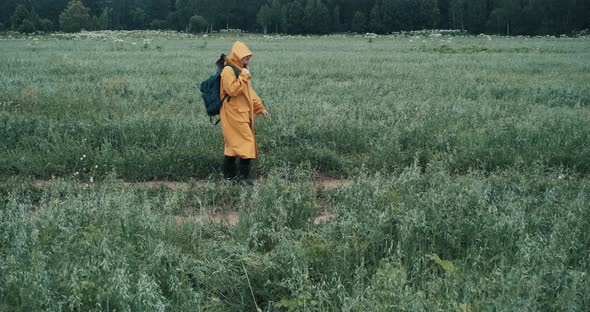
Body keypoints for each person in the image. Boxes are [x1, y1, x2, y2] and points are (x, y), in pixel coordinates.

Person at [219, 41, 269, 186]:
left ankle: (229, 178)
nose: (248, 61)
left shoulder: (240, 70)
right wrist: (244, 77)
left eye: (249, 58)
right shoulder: (228, 71)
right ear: (237, 56)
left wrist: (260, 108)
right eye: (245, 58)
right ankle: (244, 179)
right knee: (246, 143)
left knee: (233, 145)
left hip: (241, 113)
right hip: (232, 114)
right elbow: (232, 90)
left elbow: (249, 93)